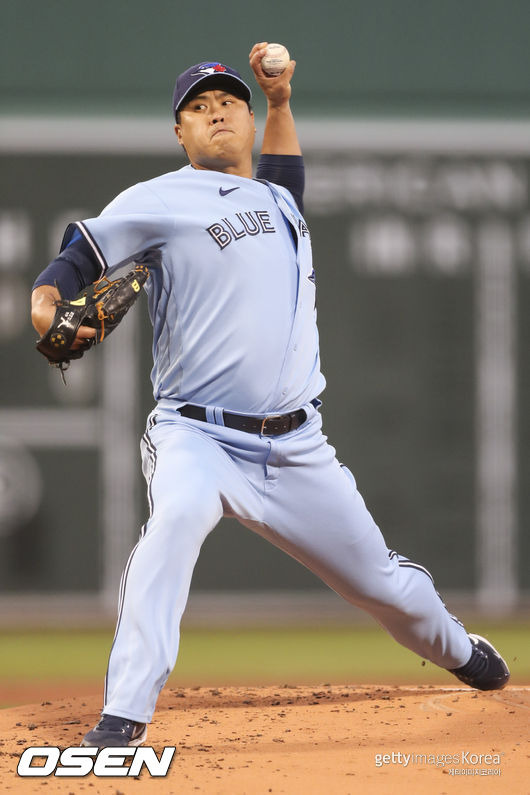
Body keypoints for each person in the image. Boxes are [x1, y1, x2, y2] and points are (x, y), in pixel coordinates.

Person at [31, 43, 510, 749]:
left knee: (381, 583)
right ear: (180, 132)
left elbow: (284, 173)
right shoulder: (158, 199)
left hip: (296, 447)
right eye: (199, 107)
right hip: (198, 434)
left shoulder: (279, 200)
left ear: (248, 122)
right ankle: (123, 716)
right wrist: (45, 301)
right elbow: (79, 255)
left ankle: (460, 652)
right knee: (176, 521)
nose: (217, 111)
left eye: (229, 102)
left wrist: (281, 100)